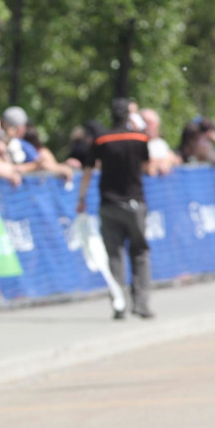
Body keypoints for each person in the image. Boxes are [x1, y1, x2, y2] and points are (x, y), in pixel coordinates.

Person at [77, 97, 153, 320]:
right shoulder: (140, 138)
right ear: (128, 115)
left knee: (114, 255)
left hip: (109, 203)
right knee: (140, 252)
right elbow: (147, 167)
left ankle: (119, 305)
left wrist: (81, 198)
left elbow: (88, 171)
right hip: (135, 202)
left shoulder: (101, 140)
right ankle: (142, 304)